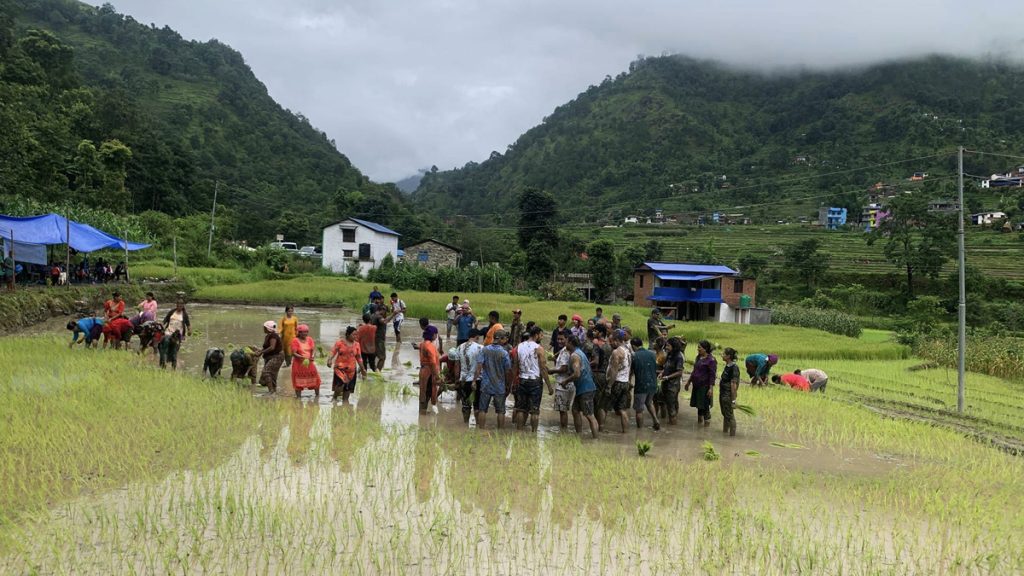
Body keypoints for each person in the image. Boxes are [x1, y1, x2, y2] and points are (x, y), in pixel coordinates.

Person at [514, 326, 551, 432]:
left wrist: (514, 382)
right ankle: (534, 433)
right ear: (536, 335)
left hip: (522, 379)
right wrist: (549, 386)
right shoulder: (539, 348)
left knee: (521, 409)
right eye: (541, 335)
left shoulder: (519, 346)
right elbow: (543, 368)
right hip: (535, 381)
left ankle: (519, 431)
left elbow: (515, 366)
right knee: (534, 411)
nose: (542, 337)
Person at [475, 329, 511, 430]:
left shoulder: (484, 350)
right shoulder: (504, 353)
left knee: (482, 410)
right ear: (502, 339)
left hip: (486, 384)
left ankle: (481, 430)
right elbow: (507, 370)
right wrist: (508, 385)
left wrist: (474, 380)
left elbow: (479, 367)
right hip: (499, 386)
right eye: (505, 339)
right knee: (500, 411)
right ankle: (500, 432)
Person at [565, 335, 599, 438]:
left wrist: (565, 381)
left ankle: (596, 440)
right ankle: (578, 435)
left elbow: (577, 374)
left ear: (570, 343)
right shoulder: (580, 352)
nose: (565, 344)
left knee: (589, 415)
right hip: (584, 388)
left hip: (586, 389)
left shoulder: (575, 356)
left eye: (566, 342)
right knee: (575, 411)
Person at [328, 326, 366, 404]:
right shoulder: (339, 343)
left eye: (356, 335)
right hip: (339, 368)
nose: (356, 336)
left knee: (348, 388)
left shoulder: (357, 345)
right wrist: (330, 360)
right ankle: (335, 397)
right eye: (354, 335)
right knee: (340, 384)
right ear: (348, 335)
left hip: (351, 370)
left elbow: (359, 358)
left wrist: (362, 369)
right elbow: (333, 352)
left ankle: (345, 404)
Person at [604, 329, 633, 433]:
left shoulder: (617, 352)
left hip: (616, 382)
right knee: (622, 409)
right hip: (625, 382)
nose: (610, 343)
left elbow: (614, 370)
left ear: (616, 340)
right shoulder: (628, 351)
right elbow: (629, 367)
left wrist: (609, 386)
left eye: (611, 341)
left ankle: (600, 430)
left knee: (604, 407)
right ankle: (625, 433)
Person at [631, 337, 661, 431]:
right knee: (649, 403)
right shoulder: (652, 354)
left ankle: (639, 430)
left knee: (639, 409)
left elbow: (631, 371)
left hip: (641, 385)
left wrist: (629, 381)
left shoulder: (634, 355)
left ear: (633, 346)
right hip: (653, 383)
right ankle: (656, 421)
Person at [685, 340, 717, 426]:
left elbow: (712, 376)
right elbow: (694, 371)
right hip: (696, 385)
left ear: (705, 349)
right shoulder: (698, 357)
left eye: (699, 347)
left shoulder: (711, 360)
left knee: (705, 406)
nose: (698, 349)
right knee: (699, 406)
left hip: (705, 387)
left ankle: (706, 426)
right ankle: (699, 425)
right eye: (698, 347)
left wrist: (710, 389)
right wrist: (688, 382)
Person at [455, 328, 483, 423]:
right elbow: (479, 366)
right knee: (477, 405)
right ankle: (478, 426)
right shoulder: (480, 348)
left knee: (466, 405)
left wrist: (457, 380)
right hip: (477, 380)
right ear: (477, 337)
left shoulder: (459, 347)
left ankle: (465, 424)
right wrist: (475, 380)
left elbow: (457, 366)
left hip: (463, 380)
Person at [550, 332, 576, 430]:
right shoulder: (566, 350)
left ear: (567, 340)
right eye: (558, 339)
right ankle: (563, 429)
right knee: (563, 409)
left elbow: (564, 369)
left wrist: (551, 371)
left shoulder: (566, 352)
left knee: (562, 410)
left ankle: (563, 430)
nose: (559, 341)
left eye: (562, 339)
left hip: (563, 384)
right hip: (567, 384)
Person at [290, 324, 321, 399]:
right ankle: (298, 397)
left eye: (306, 332)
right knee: (298, 381)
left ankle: (317, 396)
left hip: (309, 363)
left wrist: (312, 356)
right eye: (303, 332)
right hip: (298, 364)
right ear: (299, 333)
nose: (305, 334)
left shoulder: (310, 339)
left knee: (316, 378)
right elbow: (294, 353)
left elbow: (312, 350)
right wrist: (302, 357)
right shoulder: (295, 341)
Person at [659, 337, 686, 425]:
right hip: (666, 383)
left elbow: (679, 372)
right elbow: (666, 366)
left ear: (674, 346)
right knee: (669, 404)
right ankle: (672, 422)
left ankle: (672, 425)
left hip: (673, 385)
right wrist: (662, 373)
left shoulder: (679, 357)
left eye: (668, 346)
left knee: (671, 407)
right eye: (666, 345)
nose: (666, 347)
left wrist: (667, 377)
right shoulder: (669, 354)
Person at [591, 324, 612, 430]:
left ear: (601, 333)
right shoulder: (609, 345)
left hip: (597, 374)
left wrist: (585, 364)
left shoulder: (596, 344)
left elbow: (595, 361)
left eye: (596, 331)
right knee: (603, 404)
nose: (593, 332)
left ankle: (598, 428)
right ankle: (602, 427)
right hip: (606, 375)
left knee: (596, 403)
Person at [418, 325, 442, 413]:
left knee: (423, 391)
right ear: (433, 335)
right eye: (436, 334)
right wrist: (437, 375)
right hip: (429, 371)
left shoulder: (422, 344)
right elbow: (432, 362)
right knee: (429, 391)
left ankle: (422, 411)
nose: (436, 336)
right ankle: (423, 412)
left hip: (423, 370)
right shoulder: (430, 346)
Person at [258, 320, 284, 395]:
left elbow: (272, 347)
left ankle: (271, 391)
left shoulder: (273, 336)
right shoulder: (269, 335)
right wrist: (260, 351)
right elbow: (267, 347)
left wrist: (261, 352)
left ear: (267, 328)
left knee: (266, 372)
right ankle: (273, 391)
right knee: (272, 374)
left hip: (277, 356)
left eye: (264, 327)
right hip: (273, 356)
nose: (263, 328)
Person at [720, 347, 741, 436]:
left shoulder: (734, 368)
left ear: (728, 356)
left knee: (730, 415)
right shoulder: (728, 366)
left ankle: (732, 436)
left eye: (724, 354)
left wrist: (733, 400)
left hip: (727, 395)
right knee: (725, 413)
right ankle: (725, 432)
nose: (722, 355)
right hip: (723, 393)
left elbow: (733, 385)